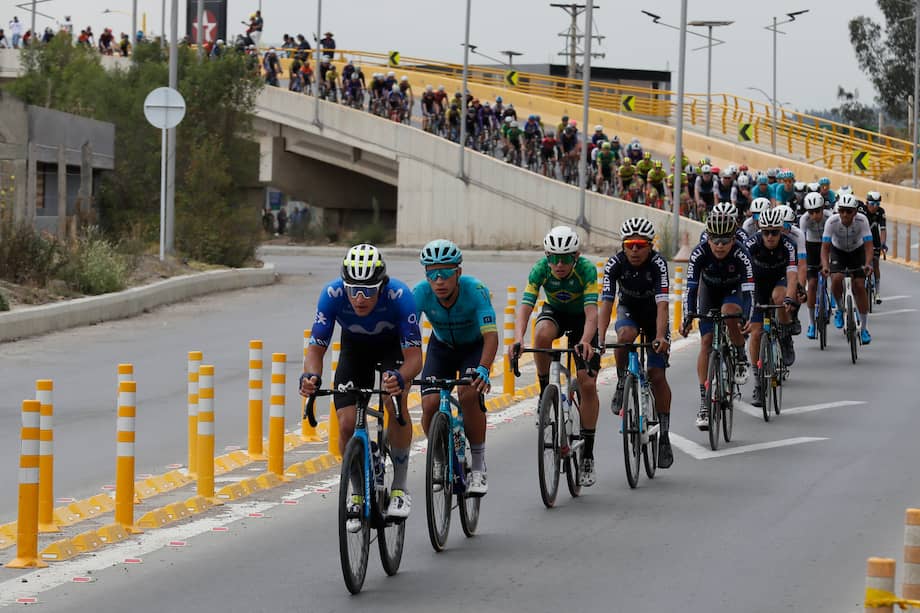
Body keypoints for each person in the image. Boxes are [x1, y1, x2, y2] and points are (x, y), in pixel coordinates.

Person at [300, 245, 422, 524]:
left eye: (368, 290)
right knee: (345, 424)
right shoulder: (331, 295)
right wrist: (311, 377)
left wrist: (401, 378)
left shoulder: (400, 296)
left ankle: (400, 488)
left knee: (395, 402)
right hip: (355, 351)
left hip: (392, 350)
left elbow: (415, 358)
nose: (359, 297)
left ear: (383, 285)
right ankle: (357, 492)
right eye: (353, 289)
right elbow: (316, 350)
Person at [508, 226, 601, 486]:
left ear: (576, 256)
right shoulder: (540, 269)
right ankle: (543, 393)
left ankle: (589, 455)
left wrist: (584, 341)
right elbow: (526, 305)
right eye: (553, 258)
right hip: (556, 313)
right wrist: (518, 338)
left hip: (583, 318)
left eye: (566, 258)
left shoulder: (586, 270)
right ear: (547, 256)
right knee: (540, 336)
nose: (559, 264)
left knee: (588, 384)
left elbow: (593, 313)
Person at [414, 240, 497, 496]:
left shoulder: (476, 290)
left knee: (468, 395)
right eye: (432, 273)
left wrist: (483, 368)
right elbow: (405, 334)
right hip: (442, 348)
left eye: (446, 273)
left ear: (458, 273)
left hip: (473, 348)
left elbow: (491, 336)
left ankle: (479, 466)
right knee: (428, 405)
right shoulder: (420, 293)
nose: (439, 280)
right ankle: (439, 458)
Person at [598, 218, 673, 468]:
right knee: (624, 338)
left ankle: (663, 435)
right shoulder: (615, 264)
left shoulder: (658, 264)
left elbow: (663, 305)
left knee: (656, 373)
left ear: (650, 246)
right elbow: (606, 303)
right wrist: (599, 339)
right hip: (629, 310)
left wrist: (661, 337)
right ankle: (622, 381)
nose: (634, 250)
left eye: (640, 245)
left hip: (654, 317)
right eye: (629, 245)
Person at [681, 209, 754, 430]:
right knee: (706, 342)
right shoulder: (699, 253)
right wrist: (688, 316)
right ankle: (704, 402)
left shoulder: (742, 253)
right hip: (708, 291)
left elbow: (750, 291)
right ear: (708, 237)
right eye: (714, 239)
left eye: (725, 240)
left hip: (732, 291)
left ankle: (740, 357)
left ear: (733, 239)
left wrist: (747, 317)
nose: (719, 245)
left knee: (729, 312)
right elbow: (691, 289)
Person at [743, 207, 799, 405]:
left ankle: (784, 336)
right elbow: (743, 278)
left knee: (780, 297)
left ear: (781, 231)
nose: (770, 236)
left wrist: (790, 299)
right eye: (765, 232)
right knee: (756, 334)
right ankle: (758, 383)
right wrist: (746, 308)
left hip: (779, 280)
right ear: (759, 229)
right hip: (757, 285)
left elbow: (793, 275)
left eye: (774, 232)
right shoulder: (750, 244)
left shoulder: (789, 245)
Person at [821, 193, 874, 344]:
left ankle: (864, 328)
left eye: (849, 211)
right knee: (836, 279)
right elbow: (824, 248)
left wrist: (868, 264)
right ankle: (839, 308)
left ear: (855, 212)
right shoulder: (831, 222)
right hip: (838, 251)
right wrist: (825, 266)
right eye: (842, 210)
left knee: (859, 285)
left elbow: (869, 246)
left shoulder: (862, 220)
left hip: (857, 252)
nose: (845, 214)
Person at [799, 192, 832, 339]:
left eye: (817, 211)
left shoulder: (829, 216)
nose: (815, 215)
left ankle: (840, 304)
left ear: (822, 208)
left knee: (838, 276)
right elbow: (802, 242)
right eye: (811, 212)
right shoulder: (804, 220)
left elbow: (835, 240)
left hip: (829, 245)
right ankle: (812, 323)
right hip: (811, 247)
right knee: (812, 284)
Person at [862, 191, 887, 303]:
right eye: (872, 204)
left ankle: (877, 292)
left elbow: (883, 230)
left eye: (877, 204)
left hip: (875, 240)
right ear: (867, 203)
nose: (874, 207)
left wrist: (882, 243)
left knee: (875, 263)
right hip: (862, 240)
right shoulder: (862, 211)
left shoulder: (881, 212)